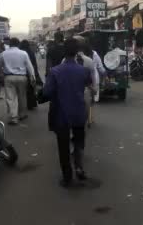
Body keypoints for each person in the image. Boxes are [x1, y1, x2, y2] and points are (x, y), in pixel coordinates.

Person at [43, 38, 92, 187]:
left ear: (64, 51)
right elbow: (88, 84)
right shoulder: (84, 70)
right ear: (77, 51)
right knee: (79, 143)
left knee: (63, 147)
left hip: (61, 114)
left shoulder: (55, 71)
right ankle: (79, 168)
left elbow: (47, 92)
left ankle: (67, 176)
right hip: (79, 112)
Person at [0, 38, 35, 125]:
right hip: (22, 77)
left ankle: (14, 118)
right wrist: (32, 78)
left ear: (10, 44)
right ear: (18, 44)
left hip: (9, 77)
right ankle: (22, 114)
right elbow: (29, 66)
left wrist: (1, 75)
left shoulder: (3, 53)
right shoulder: (23, 53)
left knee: (11, 98)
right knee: (22, 96)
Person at [20, 40, 43, 110]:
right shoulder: (30, 52)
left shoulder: (20, 52)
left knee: (22, 90)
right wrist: (35, 73)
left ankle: (22, 105)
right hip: (30, 72)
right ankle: (31, 104)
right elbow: (34, 64)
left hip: (22, 72)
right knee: (30, 88)